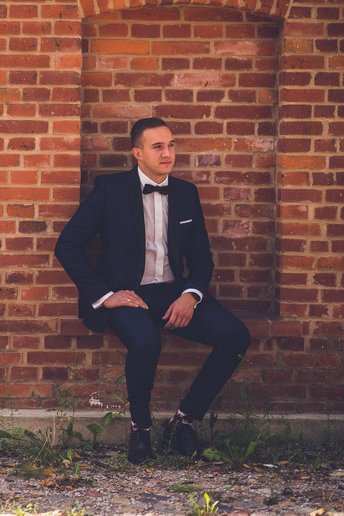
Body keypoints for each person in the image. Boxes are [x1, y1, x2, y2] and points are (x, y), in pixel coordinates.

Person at [54, 117, 249, 464]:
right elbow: (67, 246)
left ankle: (183, 422)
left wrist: (190, 295)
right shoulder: (110, 190)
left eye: (171, 145)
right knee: (146, 342)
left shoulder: (186, 193)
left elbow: (202, 259)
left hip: (174, 292)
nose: (167, 153)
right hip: (129, 295)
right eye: (157, 146)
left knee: (236, 336)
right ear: (137, 153)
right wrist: (106, 296)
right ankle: (140, 429)